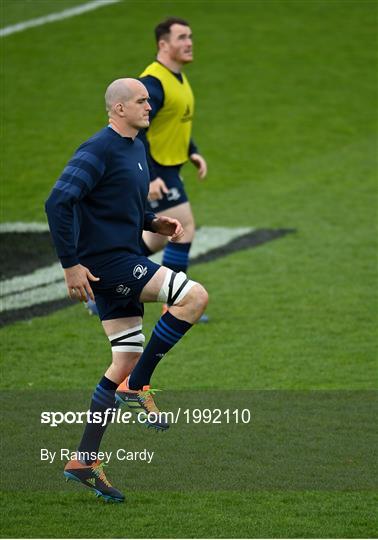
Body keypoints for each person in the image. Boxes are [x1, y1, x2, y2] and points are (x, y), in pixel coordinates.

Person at [45, 78, 208, 503]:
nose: (149, 106)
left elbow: (123, 206)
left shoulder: (136, 147)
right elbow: (57, 201)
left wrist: (155, 224)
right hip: (107, 264)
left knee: (124, 358)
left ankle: (83, 459)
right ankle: (139, 386)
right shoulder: (97, 149)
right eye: (141, 101)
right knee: (193, 297)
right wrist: (70, 266)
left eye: (150, 102)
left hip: (122, 255)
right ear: (118, 108)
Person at [85, 17, 209, 322]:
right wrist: (150, 175)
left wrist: (191, 151)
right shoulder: (154, 82)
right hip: (157, 169)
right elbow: (136, 128)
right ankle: (174, 300)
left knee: (155, 238)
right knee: (184, 227)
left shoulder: (176, 77)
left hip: (169, 166)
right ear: (163, 45)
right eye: (181, 37)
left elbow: (172, 122)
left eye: (190, 36)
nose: (189, 42)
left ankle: (101, 284)